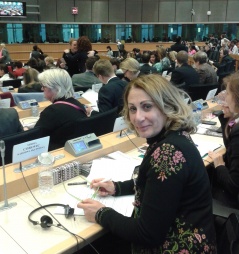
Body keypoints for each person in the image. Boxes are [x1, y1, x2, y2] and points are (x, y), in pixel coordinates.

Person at [78, 74, 216, 253]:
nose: (138, 117)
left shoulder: (167, 152)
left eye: (147, 107)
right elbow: (158, 184)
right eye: (133, 109)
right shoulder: (174, 137)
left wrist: (100, 213)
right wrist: (117, 187)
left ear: (167, 106)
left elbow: (148, 234)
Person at [34, 69, 90, 149]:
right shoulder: (78, 103)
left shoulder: (52, 111)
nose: (42, 89)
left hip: (56, 151)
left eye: (43, 86)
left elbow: (35, 137)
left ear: (55, 88)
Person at [208, 72, 239, 209]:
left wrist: (219, 165)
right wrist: (227, 117)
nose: (225, 97)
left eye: (228, 94)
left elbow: (233, 185)